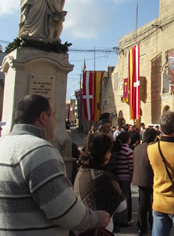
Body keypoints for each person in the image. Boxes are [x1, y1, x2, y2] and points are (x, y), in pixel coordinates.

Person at [0, 94, 110, 235]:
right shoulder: (39, 150)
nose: (55, 121)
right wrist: (96, 218)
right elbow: (63, 209)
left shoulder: (3, 144)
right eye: (54, 115)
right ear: (43, 117)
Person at [74, 133, 127, 234]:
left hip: (80, 227)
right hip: (97, 230)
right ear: (103, 153)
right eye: (109, 151)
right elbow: (122, 205)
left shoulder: (81, 170)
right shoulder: (105, 177)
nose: (110, 154)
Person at [132, 127, 158, 236]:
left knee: (142, 204)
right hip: (151, 179)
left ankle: (142, 226)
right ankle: (152, 224)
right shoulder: (153, 148)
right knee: (153, 204)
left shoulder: (137, 148)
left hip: (140, 179)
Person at [113, 131, 134, 228]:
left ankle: (116, 219)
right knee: (125, 199)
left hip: (117, 176)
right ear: (128, 139)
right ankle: (123, 220)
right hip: (125, 178)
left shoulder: (117, 150)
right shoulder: (129, 151)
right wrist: (132, 178)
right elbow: (131, 167)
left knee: (118, 199)